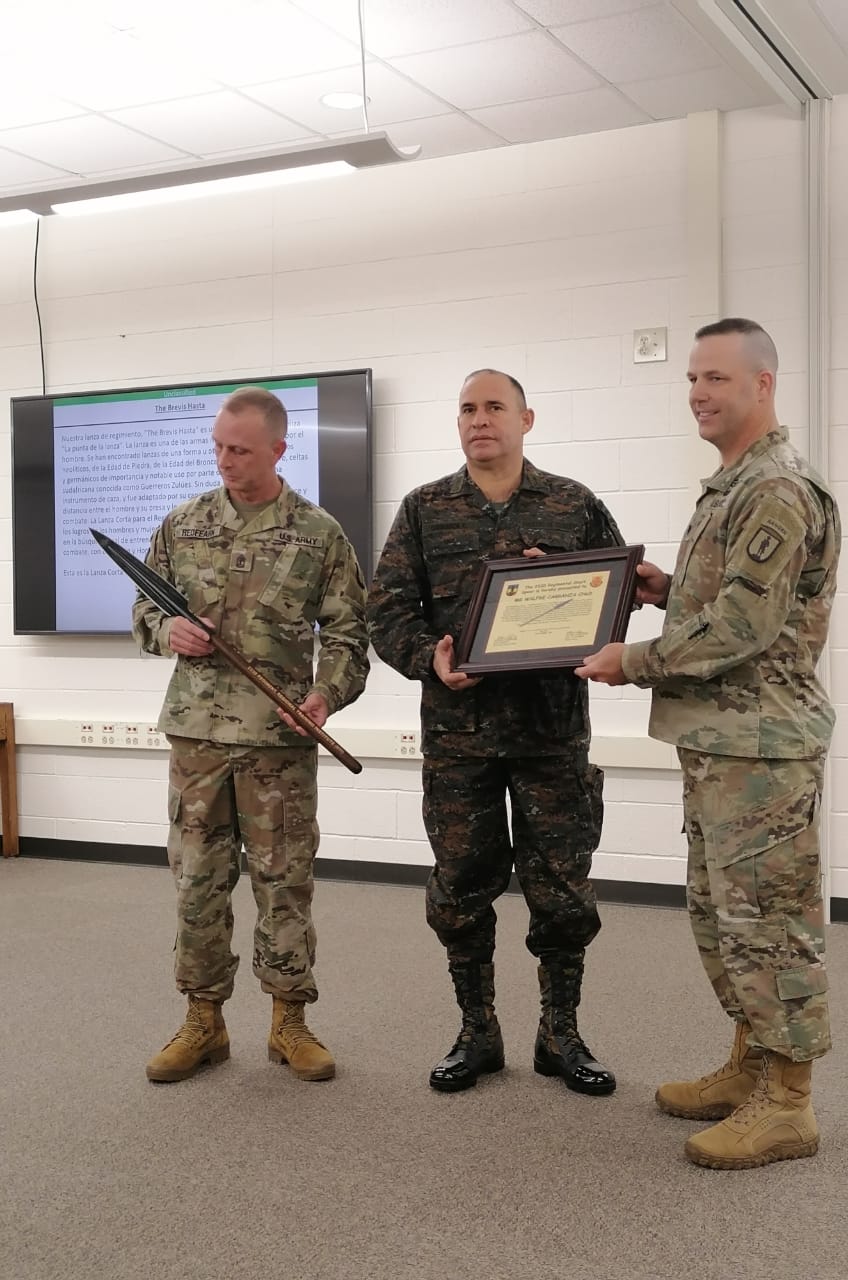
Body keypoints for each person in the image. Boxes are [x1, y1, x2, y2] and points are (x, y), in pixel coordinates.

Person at [577, 318, 839, 1169]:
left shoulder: (776, 489)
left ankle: (789, 1104)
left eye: (716, 378)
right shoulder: (733, 486)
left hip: (762, 752)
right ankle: (751, 1065)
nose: (697, 392)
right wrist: (662, 591)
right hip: (725, 745)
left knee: (771, 925)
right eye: (692, 378)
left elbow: (741, 628)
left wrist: (632, 661)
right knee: (724, 916)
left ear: (763, 383)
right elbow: (728, 602)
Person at [367, 368, 625, 1097]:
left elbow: (617, 600)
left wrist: (565, 587)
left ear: (526, 419)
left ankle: (560, 1034)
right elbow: (385, 614)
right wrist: (431, 657)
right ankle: (477, 1031)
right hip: (460, 740)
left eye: (494, 407)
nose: (479, 419)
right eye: (467, 409)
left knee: (563, 893)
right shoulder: (424, 509)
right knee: (459, 891)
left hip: (552, 737)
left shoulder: (573, 505)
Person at [133, 386, 369, 1084]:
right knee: (197, 884)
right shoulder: (183, 524)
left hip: (277, 743)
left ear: (277, 449)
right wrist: (166, 631)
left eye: (239, 449)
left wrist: (326, 695)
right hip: (198, 740)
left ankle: (289, 1021)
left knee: (283, 884)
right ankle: (203, 1021)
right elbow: (145, 608)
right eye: (218, 446)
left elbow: (350, 635)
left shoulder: (318, 534)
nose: (225, 460)